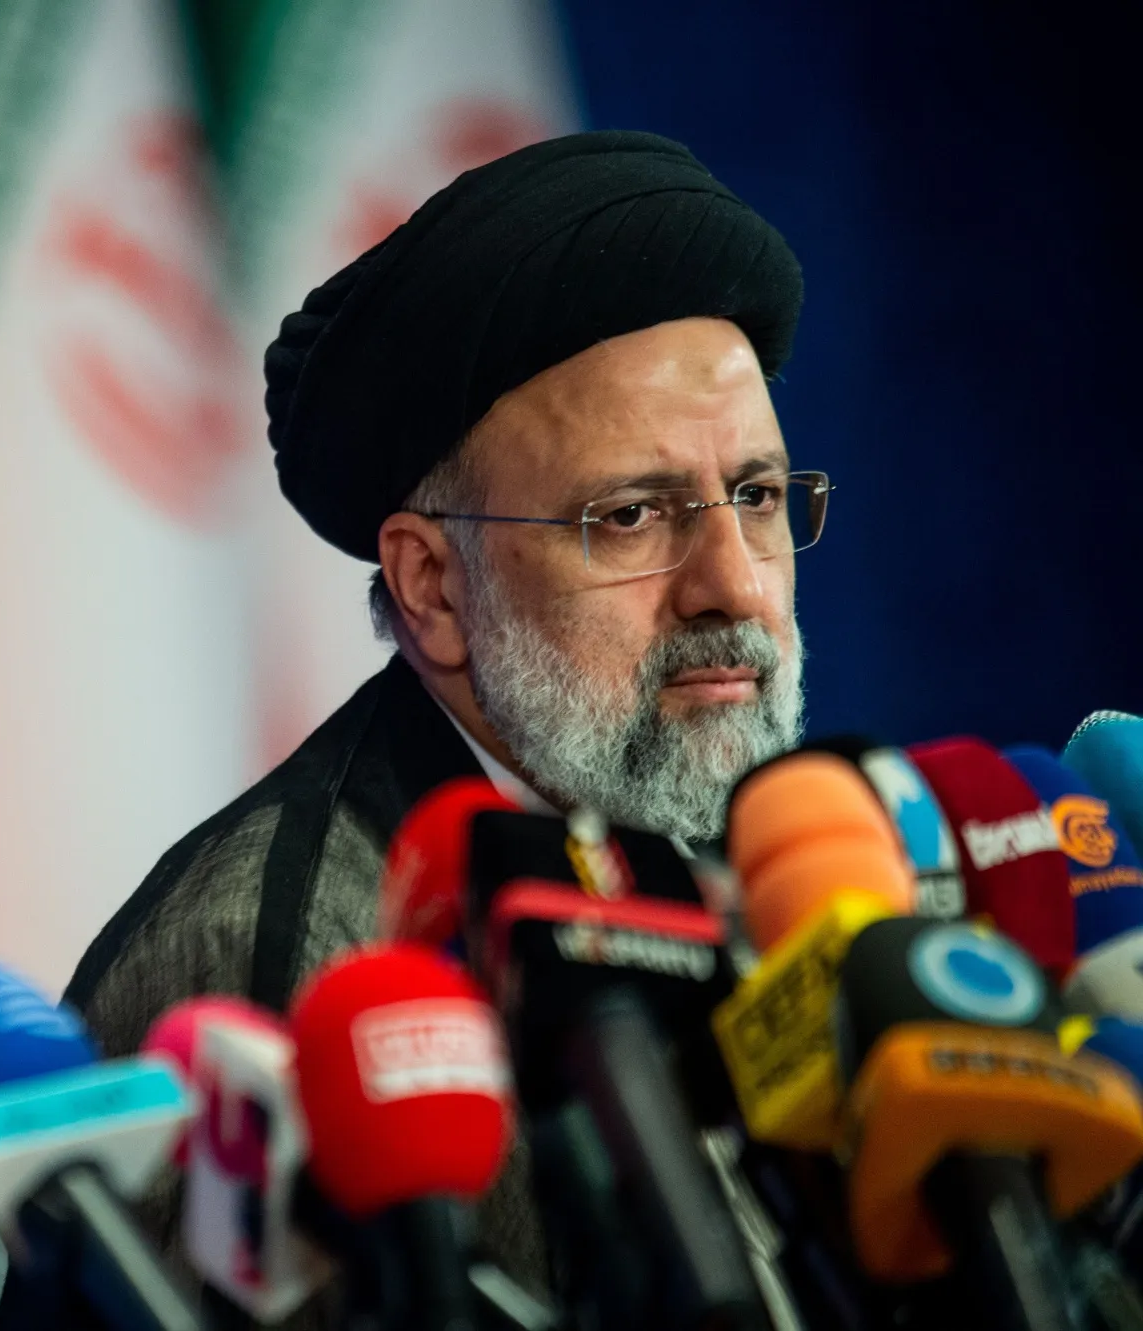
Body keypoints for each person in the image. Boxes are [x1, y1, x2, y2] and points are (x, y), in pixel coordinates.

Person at [64, 130, 823, 1310]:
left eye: (757, 496)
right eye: (630, 515)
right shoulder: (270, 970)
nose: (734, 584)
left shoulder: (775, 869)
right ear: (430, 585)